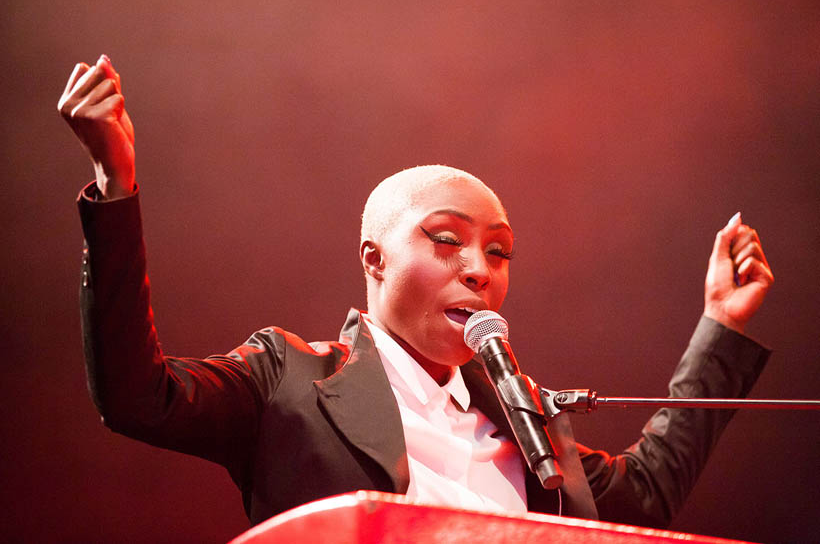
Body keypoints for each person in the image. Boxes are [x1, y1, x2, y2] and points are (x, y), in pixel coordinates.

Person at [59, 55, 775, 529]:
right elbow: (135, 395)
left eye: (499, 251)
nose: (480, 267)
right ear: (373, 258)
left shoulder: (526, 425)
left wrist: (720, 323)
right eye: (446, 238)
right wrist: (117, 186)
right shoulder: (291, 379)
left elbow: (645, 497)